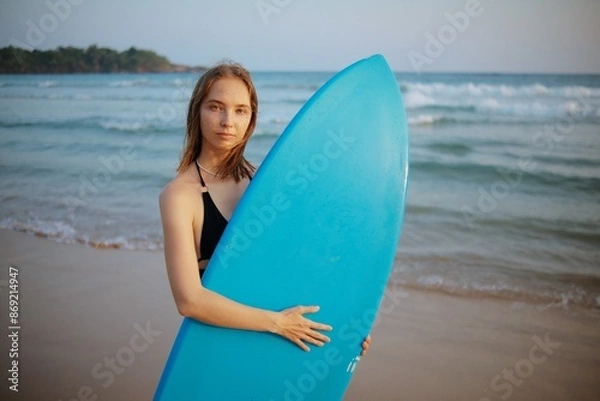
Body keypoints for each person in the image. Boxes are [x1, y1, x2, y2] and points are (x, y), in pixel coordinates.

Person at [159, 61, 371, 355]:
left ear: (252, 119)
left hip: (278, 339)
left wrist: (345, 328)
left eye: (240, 110)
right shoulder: (180, 196)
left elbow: (303, 260)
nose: (227, 121)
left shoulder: (269, 183)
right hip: (221, 342)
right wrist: (277, 324)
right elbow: (189, 300)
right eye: (215, 107)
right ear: (196, 111)